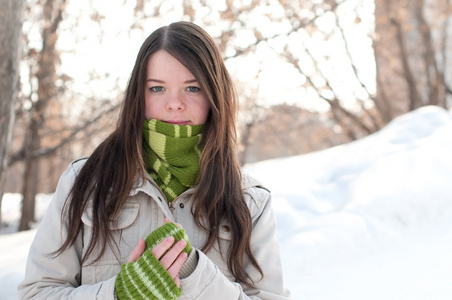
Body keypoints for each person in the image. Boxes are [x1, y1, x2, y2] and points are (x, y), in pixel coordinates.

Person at [18, 21, 292, 299]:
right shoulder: (86, 182)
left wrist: (198, 278)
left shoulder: (249, 201)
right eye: (157, 88)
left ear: (214, 95)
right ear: (139, 94)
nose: (174, 103)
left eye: (193, 88)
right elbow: (37, 292)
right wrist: (120, 293)